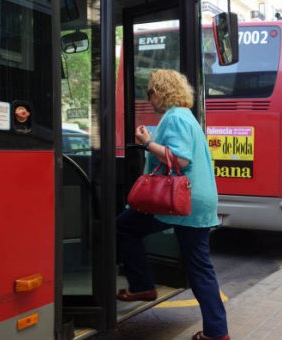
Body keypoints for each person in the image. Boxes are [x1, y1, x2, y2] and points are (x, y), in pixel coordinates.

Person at [116, 69, 229, 340]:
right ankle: (217, 332)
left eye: (150, 92)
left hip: (180, 201)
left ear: (161, 92)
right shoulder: (185, 116)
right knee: (200, 267)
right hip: (193, 200)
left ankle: (143, 285)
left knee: (123, 227)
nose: (149, 98)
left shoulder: (176, 117)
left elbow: (180, 159)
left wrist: (147, 143)